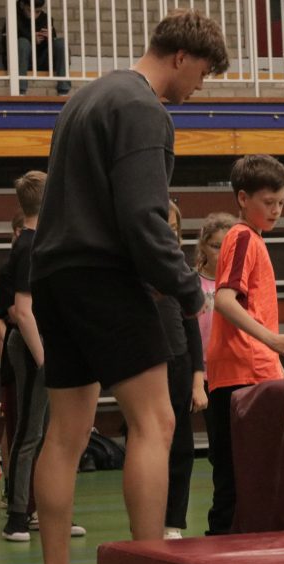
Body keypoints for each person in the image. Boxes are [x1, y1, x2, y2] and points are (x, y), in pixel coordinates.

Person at [28, 9, 229, 564]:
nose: (199, 87)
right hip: (104, 277)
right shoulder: (143, 108)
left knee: (65, 434)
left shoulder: (84, 99)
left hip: (53, 276)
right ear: (181, 57)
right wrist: (189, 289)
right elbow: (143, 218)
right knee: (156, 421)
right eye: (202, 74)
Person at [204, 154, 284, 535]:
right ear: (243, 199)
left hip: (252, 372)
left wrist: (275, 365)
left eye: (282, 202)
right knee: (234, 482)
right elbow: (225, 300)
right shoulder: (243, 237)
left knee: (250, 478)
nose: (277, 210)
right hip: (240, 377)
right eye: (269, 202)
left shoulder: (255, 240)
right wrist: (272, 341)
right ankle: (219, 549)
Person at [1, 172, 86, 543]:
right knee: (30, 431)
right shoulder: (28, 246)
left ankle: (47, 511)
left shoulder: (44, 242)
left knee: (53, 435)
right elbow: (23, 311)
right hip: (32, 347)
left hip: (48, 345)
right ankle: (17, 515)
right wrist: (44, 360)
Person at [122, 201, 209, 539]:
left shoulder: (179, 268)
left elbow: (192, 327)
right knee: (145, 439)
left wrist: (198, 378)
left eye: (174, 228)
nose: (169, 233)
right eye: (164, 227)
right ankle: (144, 519)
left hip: (179, 362)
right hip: (143, 361)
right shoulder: (133, 266)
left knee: (181, 446)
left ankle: (173, 520)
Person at [0, 211, 24, 503]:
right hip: (16, 359)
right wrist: (10, 353)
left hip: (31, 354)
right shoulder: (8, 271)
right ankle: (12, 487)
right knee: (14, 429)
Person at [195, 212, 237, 372]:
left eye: (228, 246)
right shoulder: (192, 282)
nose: (222, 252)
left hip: (231, 368)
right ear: (203, 246)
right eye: (216, 246)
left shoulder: (239, 284)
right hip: (200, 370)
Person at [7, 0, 71, 96]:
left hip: (43, 60)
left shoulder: (45, 19)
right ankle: (20, 90)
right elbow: (7, 45)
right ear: (22, 5)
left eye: (37, 12)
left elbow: (56, 46)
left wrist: (50, 38)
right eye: (30, 10)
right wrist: (31, 38)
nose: (33, 15)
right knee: (22, 42)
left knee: (61, 42)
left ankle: (63, 90)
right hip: (22, 63)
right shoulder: (13, 18)